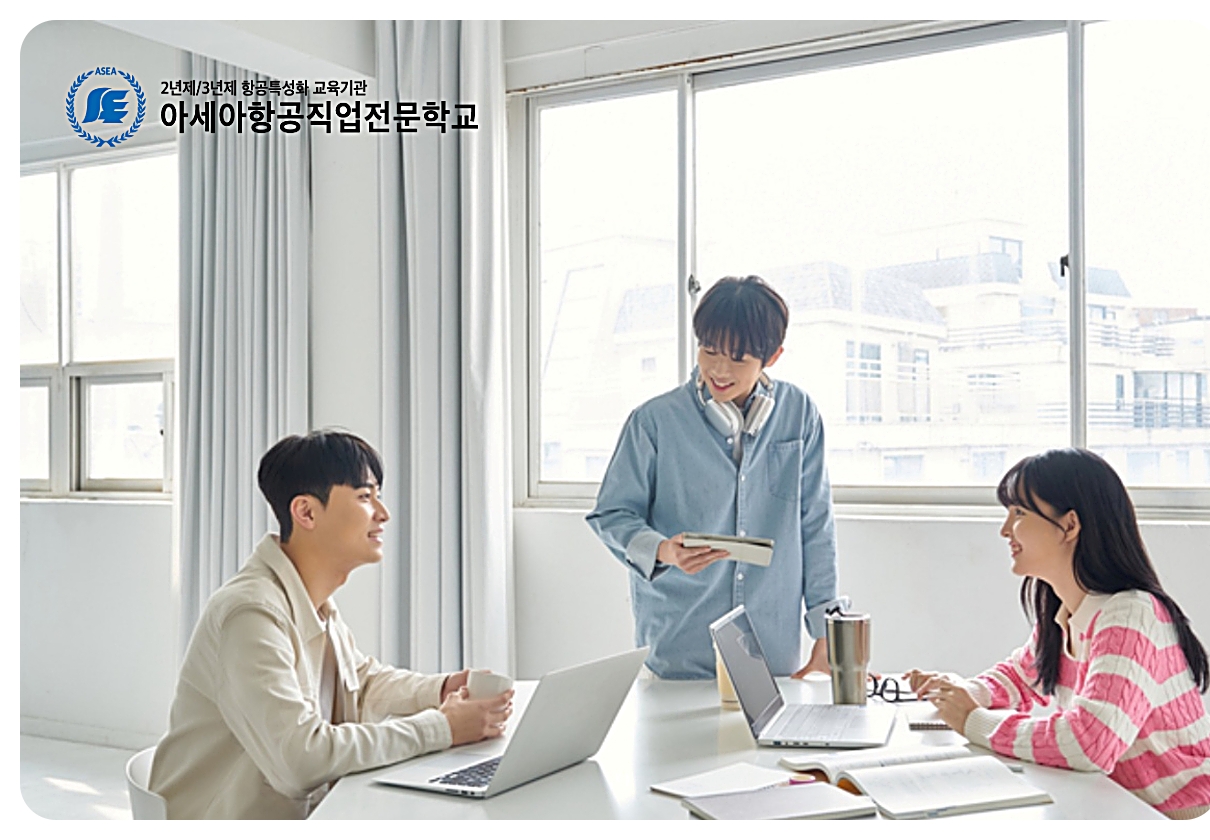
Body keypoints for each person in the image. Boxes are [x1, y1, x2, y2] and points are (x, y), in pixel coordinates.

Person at [148, 431, 513, 819]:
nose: (383, 513)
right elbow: (300, 759)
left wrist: (441, 689)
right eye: (364, 496)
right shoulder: (250, 614)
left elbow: (363, 683)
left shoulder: (312, 600)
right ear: (306, 512)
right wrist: (441, 727)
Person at [905, 448, 1210, 819]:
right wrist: (960, 694)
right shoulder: (1066, 610)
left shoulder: (1131, 614)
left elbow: (1089, 743)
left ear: (1069, 526)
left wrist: (974, 721)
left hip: (1178, 815)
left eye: (1019, 513)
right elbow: (1021, 676)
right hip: (1115, 802)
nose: (1005, 530)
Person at [586, 275, 847, 680]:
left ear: (772, 357)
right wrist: (663, 550)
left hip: (770, 649)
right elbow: (612, 514)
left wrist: (827, 629)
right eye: (709, 351)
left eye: (738, 359)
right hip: (679, 647)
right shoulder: (654, 422)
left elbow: (815, 524)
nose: (719, 370)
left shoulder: (799, 414)